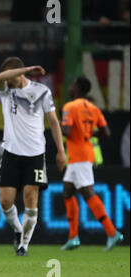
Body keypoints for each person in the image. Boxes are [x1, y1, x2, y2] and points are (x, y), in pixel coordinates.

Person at [0, 57, 66, 257]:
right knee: (5, 202)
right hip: (11, 152)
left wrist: (61, 150)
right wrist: (28, 68)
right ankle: (18, 230)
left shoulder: (42, 91)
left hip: (35, 154)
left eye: (13, 77)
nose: (9, 82)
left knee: (30, 198)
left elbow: (53, 121)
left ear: (20, 74)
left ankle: (23, 245)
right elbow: (0, 77)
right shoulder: (6, 90)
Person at [60, 77, 123, 251]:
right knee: (67, 192)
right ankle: (73, 237)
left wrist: (58, 126)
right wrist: (87, 133)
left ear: (77, 88)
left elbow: (66, 130)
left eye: (72, 85)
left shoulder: (70, 107)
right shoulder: (94, 108)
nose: (70, 87)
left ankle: (112, 232)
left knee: (88, 193)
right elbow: (106, 132)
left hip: (78, 156)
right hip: (82, 154)